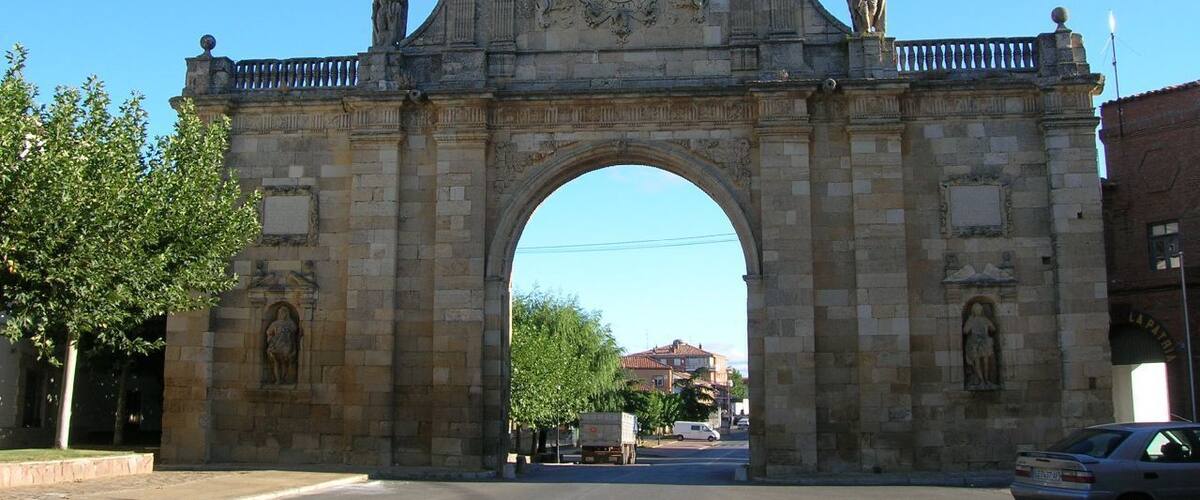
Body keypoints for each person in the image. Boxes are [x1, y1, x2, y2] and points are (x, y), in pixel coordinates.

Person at [963, 303, 997, 387]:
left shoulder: (984, 319)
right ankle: (981, 380)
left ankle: (987, 380)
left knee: (986, 362)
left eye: (980, 309)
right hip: (974, 343)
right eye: (977, 309)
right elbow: (965, 331)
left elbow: (993, 328)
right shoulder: (971, 319)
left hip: (984, 343)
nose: (978, 311)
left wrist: (988, 326)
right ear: (973, 310)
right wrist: (970, 323)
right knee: (977, 362)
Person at [266, 308, 299, 384]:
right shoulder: (275, 323)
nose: (282, 314)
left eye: (284, 312)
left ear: (287, 314)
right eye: (281, 312)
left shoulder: (291, 323)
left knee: (285, 363)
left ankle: (284, 379)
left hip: (287, 345)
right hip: (276, 344)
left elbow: (294, 332)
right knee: (276, 362)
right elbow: (269, 333)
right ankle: (278, 379)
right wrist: (270, 340)